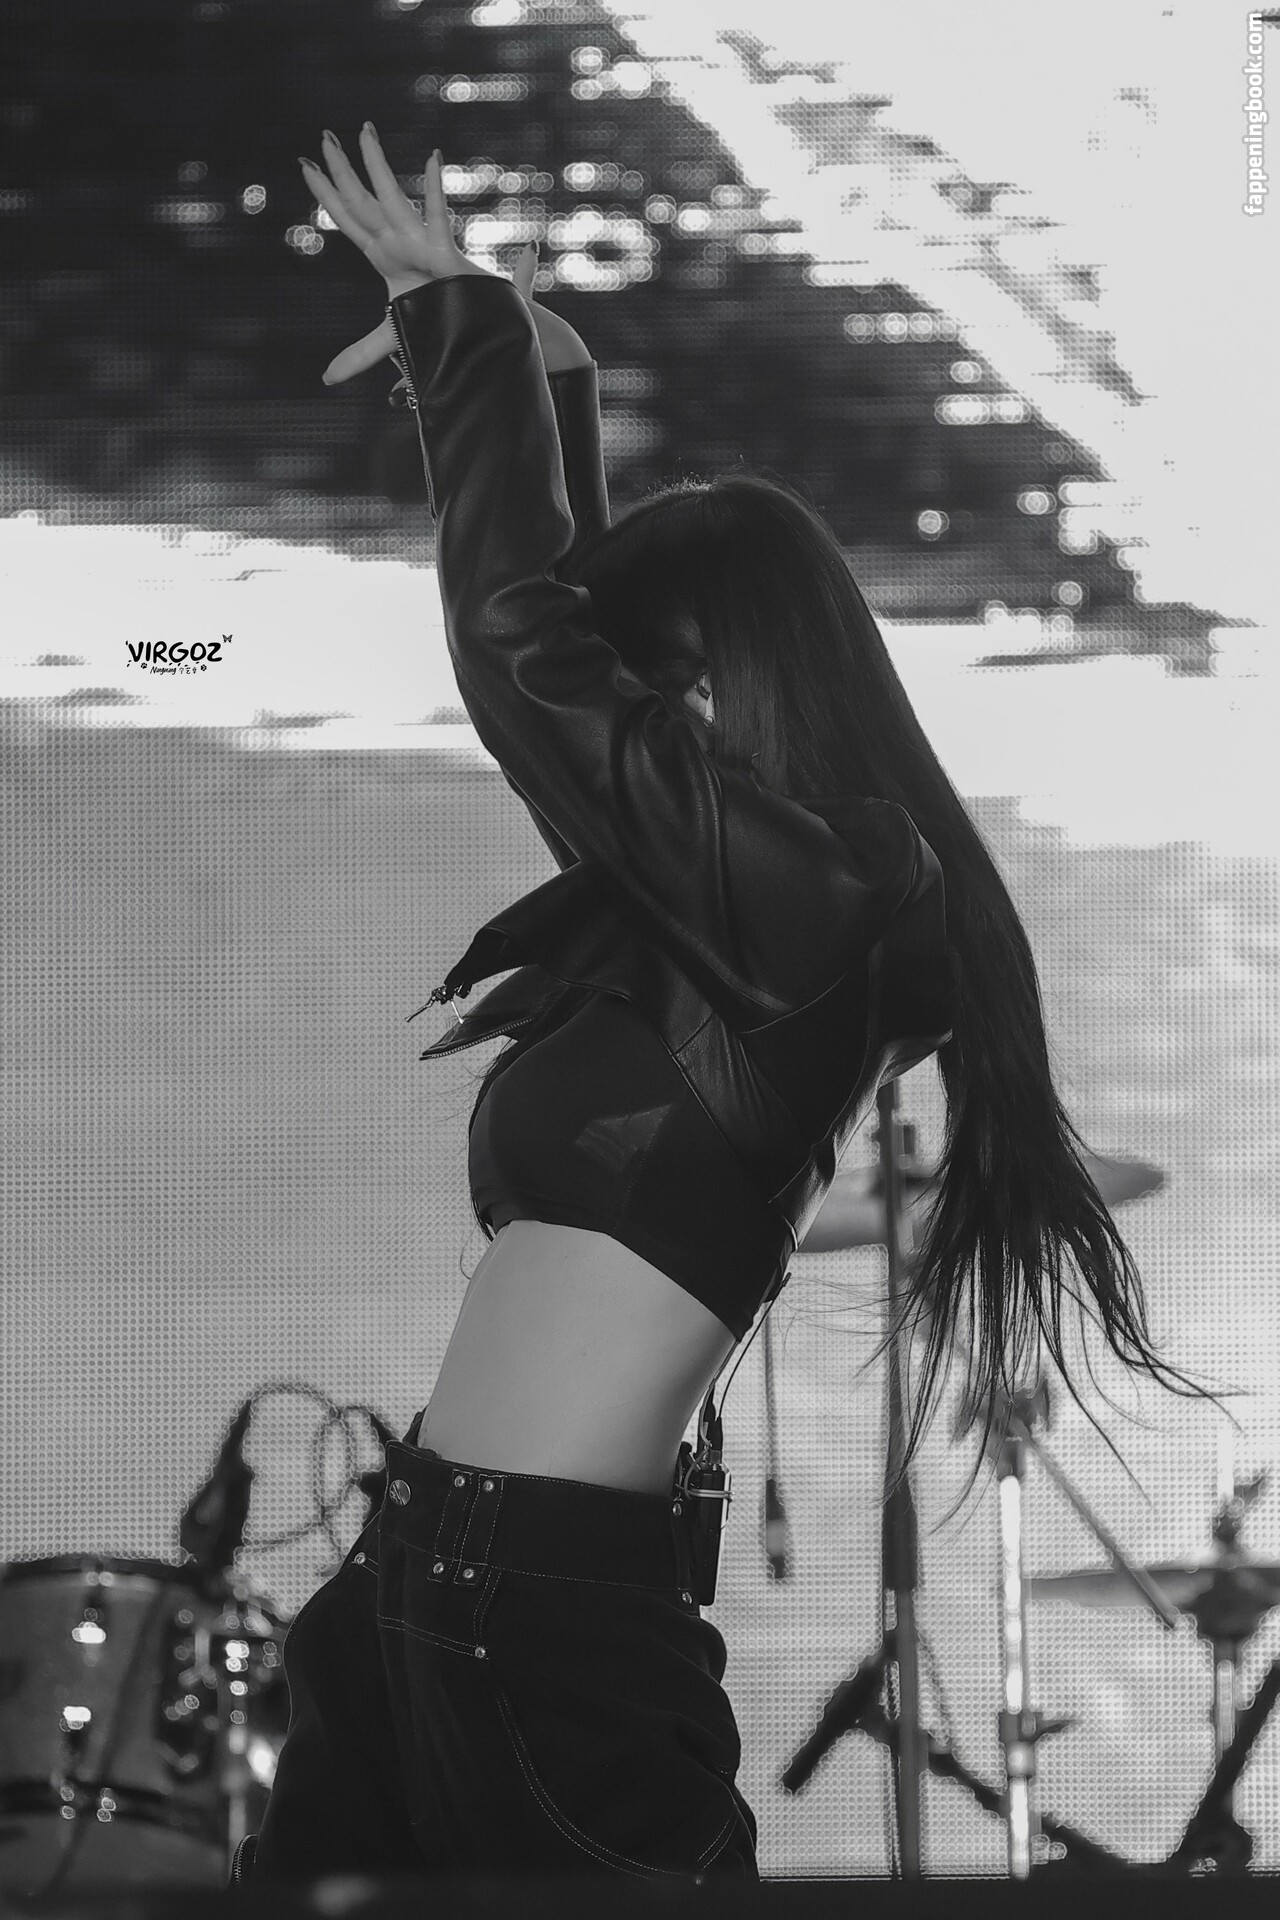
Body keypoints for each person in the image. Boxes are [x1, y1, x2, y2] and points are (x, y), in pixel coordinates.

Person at [236, 127, 1200, 1886]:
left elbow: (531, 660)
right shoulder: (712, 920)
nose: (621, 728)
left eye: (651, 690)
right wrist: (543, 382)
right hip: (424, 1579)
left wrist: (467, 336)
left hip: (543, 1617)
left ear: (718, 686)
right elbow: (560, 668)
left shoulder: (824, 901)